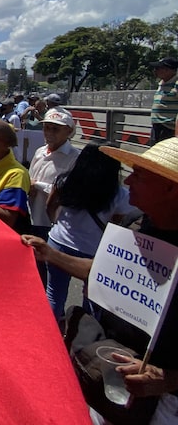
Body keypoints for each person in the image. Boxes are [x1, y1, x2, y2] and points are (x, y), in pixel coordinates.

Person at [22, 138, 178, 422]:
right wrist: (50, 254)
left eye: (140, 175)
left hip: (164, 403)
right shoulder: (139, 226)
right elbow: (103, 270)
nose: (128, 181)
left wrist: (168, 380)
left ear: (170, 187)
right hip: (113, 372)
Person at [40, 142, 135, 319]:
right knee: (92, 298)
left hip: (58, 242)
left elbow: (50, 206)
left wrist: (55, 224)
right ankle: (85, 337)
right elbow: (116, 225)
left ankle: (51, 334)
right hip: (93, 251)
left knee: (54, 293)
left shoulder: (65, 180)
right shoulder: (119, 194)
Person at [27, 109, 81, 242]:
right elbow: (30, 178)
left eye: (55, 129)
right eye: (46, 128)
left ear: (68, 131)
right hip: (31, 215)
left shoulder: (75, 158)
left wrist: (37, 185)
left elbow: (70, 192)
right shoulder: (40, 151)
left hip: (52, 222)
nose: (49, 133)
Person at [149, 56, 178, 144]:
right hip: (157, 126)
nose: (155, 71)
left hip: (169, 128)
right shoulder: (161, 84)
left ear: (169, 70)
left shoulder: (176, 84)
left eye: (159, 68)